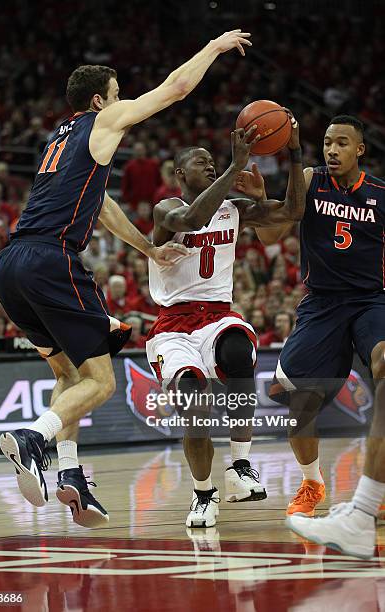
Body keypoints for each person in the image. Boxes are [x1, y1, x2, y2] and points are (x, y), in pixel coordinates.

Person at [0, 29, 254, 528]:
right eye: (118, 94)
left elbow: (105, 206)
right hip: (52, 260)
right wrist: (214, 48)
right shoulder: (101, 120)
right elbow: (175, 88)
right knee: (100, 382)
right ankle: (34, 437)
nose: (124, 102)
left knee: (68, 377)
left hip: (11, 265)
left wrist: (149, 248)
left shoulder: (59, 140)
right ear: (99, 100)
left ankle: (71, 477)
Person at [147, 119, 305, 528]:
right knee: (193, 401)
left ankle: (240, 467)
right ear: (181, 174)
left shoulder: (234, 210)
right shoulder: (166, 208)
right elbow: (193, 220)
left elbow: (293, 211)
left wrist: (294, 152)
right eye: (203, 163)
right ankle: (203, 494)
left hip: (218, 314)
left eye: (215, 163)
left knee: (238, 351)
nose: (212, 166)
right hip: (172, 324)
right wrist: (236, 168)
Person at [249, 115, 385, 558]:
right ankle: (312, 483)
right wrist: (260, 206)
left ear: (359, 150)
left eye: (342, 143)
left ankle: (370, 493)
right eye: (327, 142)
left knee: (384, 364)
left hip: (372, 301)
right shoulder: (308, 180)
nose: (331, 149)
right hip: (322, 303)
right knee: (299, 403)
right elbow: (272, 232)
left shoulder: (381, 195)